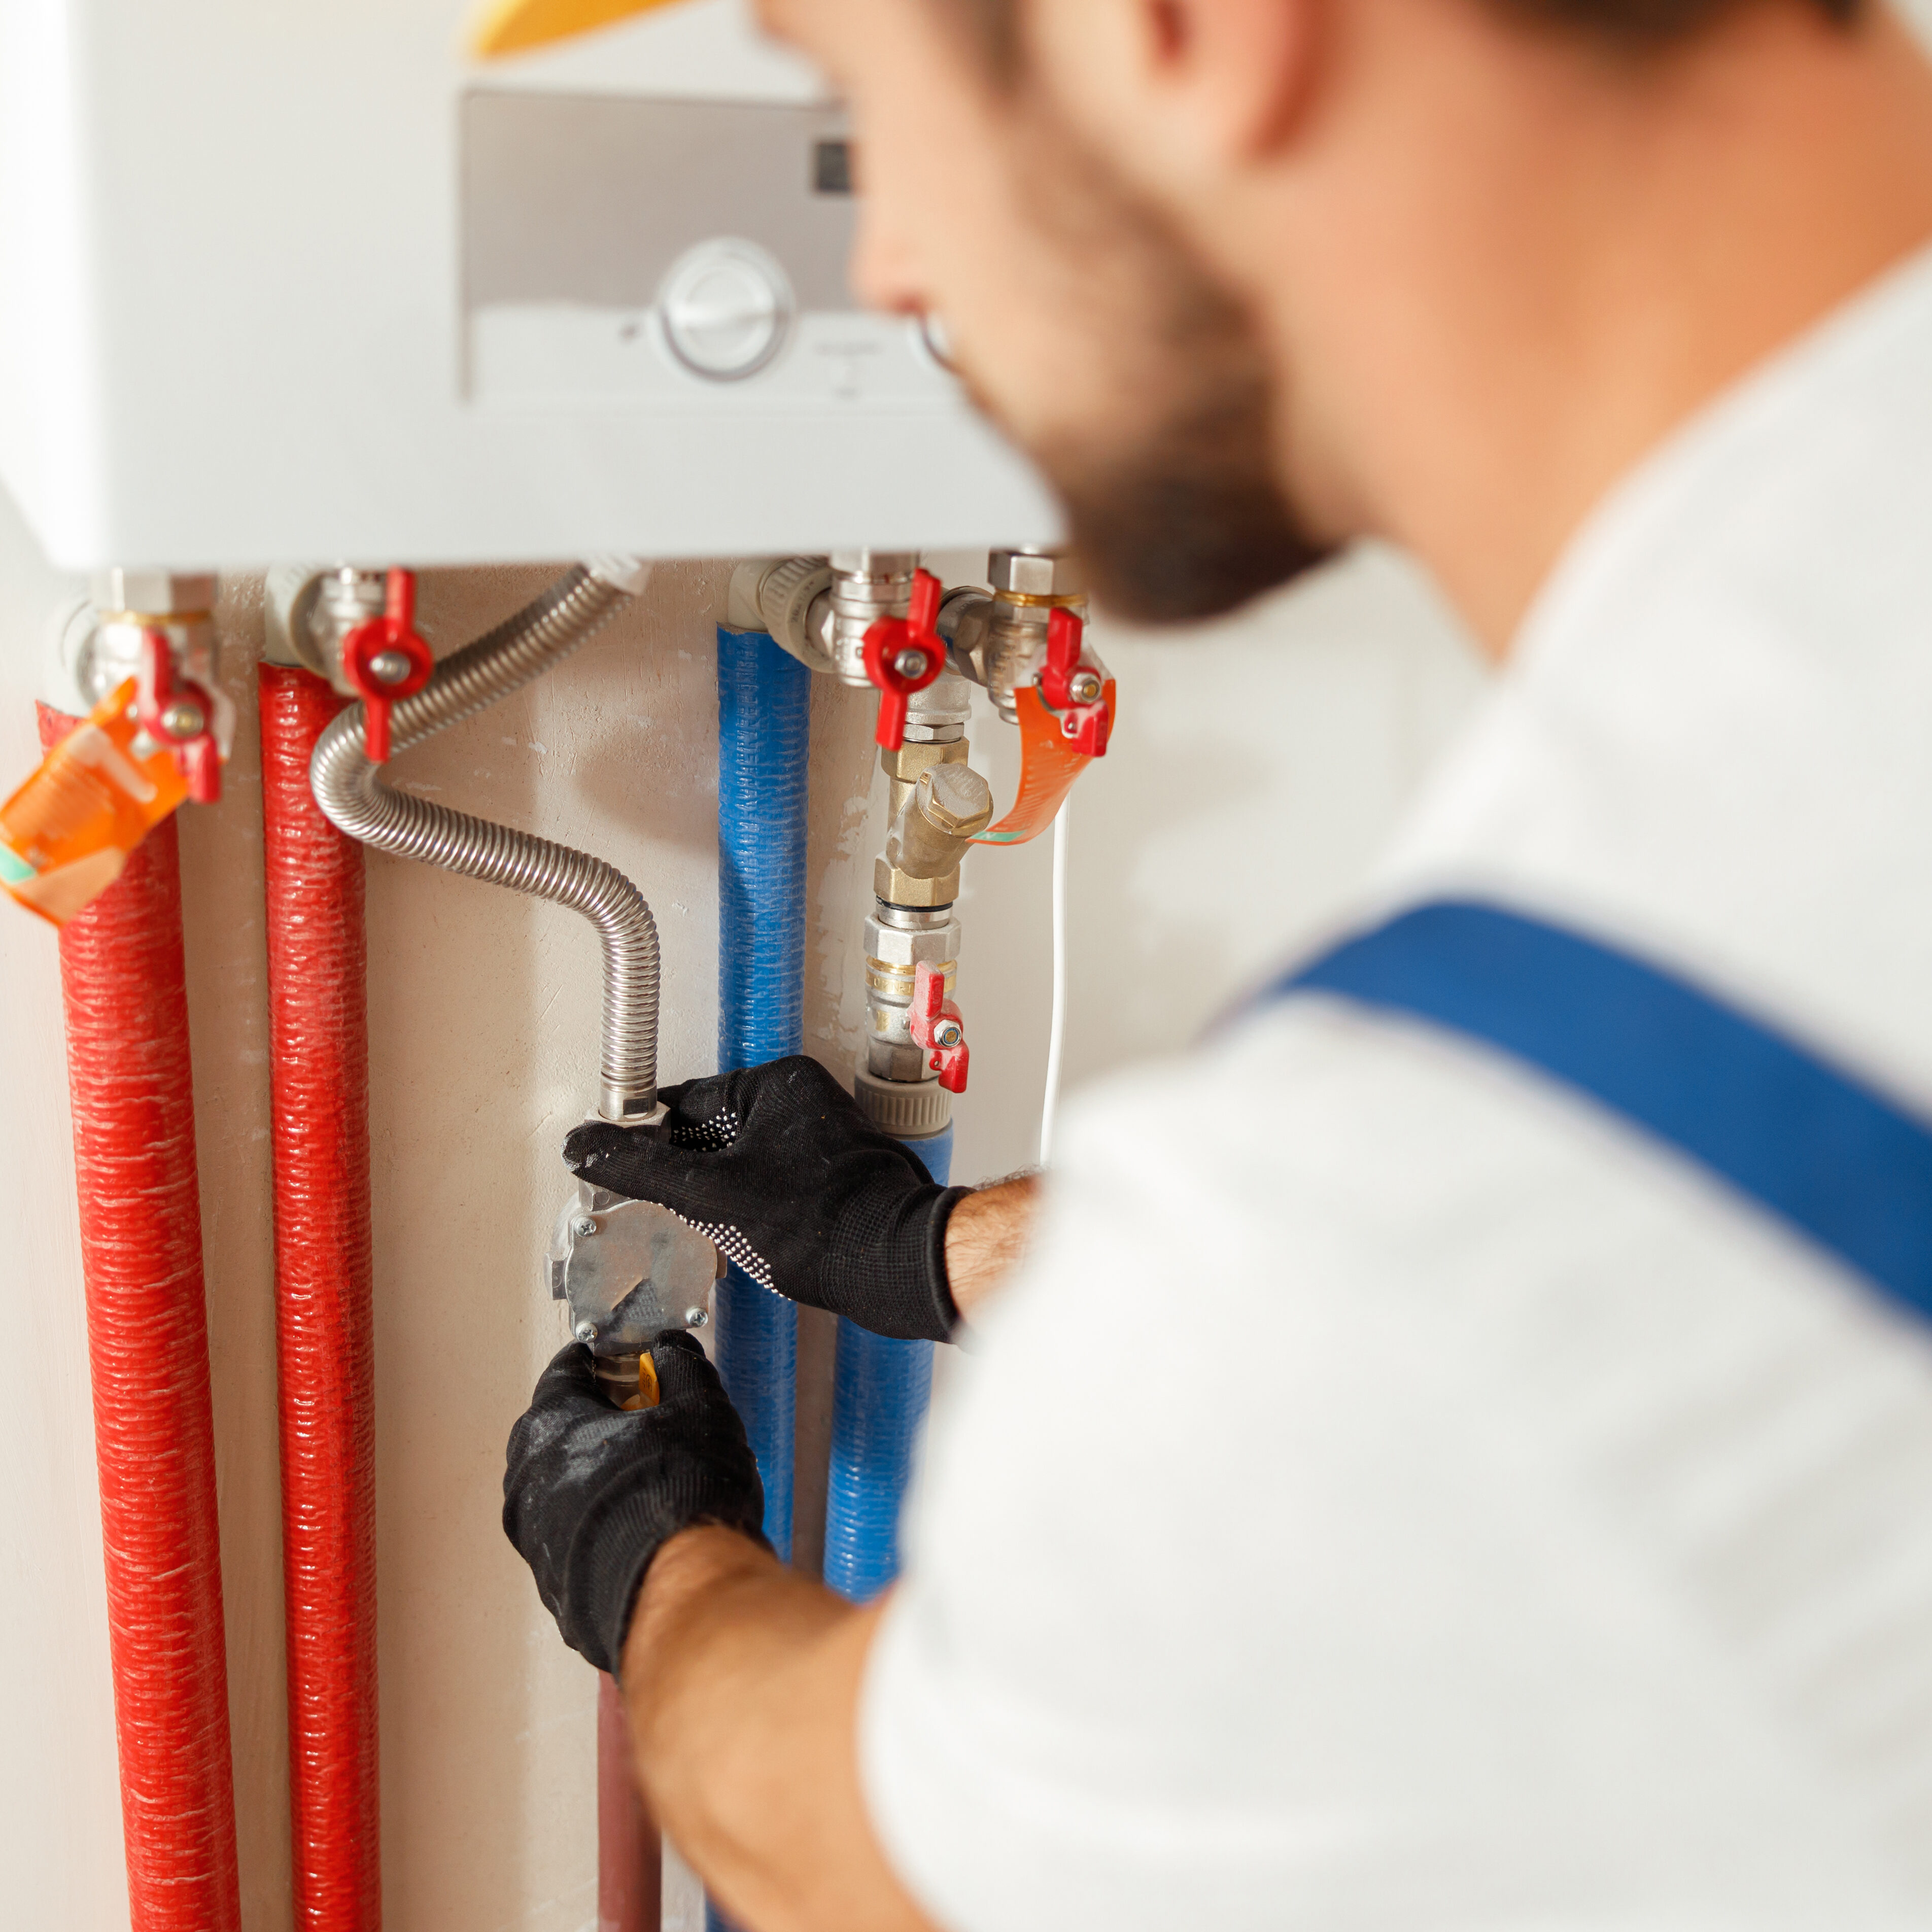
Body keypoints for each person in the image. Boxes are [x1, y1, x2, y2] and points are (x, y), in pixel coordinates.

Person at [500, 0, 1932, 1925]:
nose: (890, 260)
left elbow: (863, 1848)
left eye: (866, 104)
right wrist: (925, 1251)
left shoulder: (1401, 1244)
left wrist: (647, 1562)